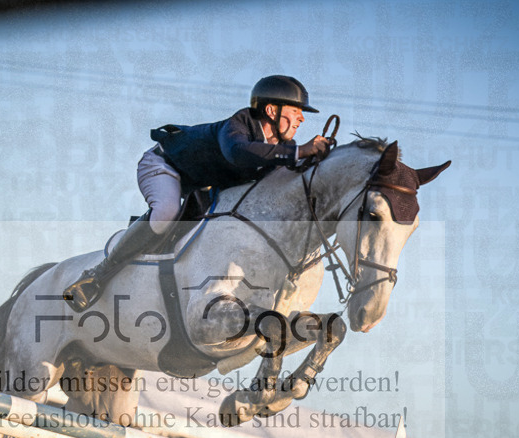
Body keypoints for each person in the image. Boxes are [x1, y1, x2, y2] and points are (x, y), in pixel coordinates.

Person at [63, 75, 330, 312]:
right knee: (166, 212)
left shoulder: (285, 146)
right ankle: (96, 276)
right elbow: (237, 153)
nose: (302, 118)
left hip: (201, 184)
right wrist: (300, 152)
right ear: (272, 110)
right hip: (164, 165)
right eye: (296, 111)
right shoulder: (238, 125)